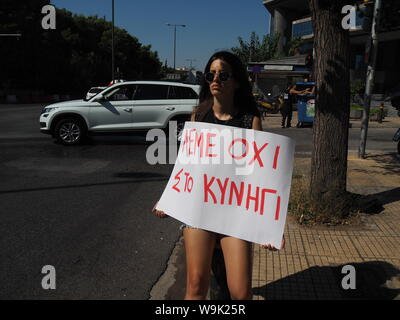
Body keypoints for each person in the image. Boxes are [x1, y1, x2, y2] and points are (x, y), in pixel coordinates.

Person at [152, 51, 285, 300]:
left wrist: (270, 225)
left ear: (236, 82)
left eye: (223, 75)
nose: (215, 79)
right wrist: (168, 199)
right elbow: (186, 166)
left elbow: (261, 176)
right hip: (199, 210)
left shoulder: (250, 121)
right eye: (210, 74)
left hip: (235, 213)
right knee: (195, 285)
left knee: (241, 293)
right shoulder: (198, 116)